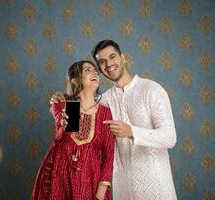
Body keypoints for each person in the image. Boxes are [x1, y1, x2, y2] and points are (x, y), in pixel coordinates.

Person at [51, 40, 177, 200]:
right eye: (102, 62)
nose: (108, 64)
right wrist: (59, 100)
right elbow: (80, 107)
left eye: (112, 57)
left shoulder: (151, 90)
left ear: (123, 58)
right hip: (123, 189)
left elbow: (169, 137)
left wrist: (132, 132)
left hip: (155, 185)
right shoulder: (104, 100)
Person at [32, 60, 115, 200]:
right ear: (75, 79)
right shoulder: (65, 106)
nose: (95, 72)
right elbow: (60, 141)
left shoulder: (106, 113)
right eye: (88, 70)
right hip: (59, 180)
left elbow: (108, 156)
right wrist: (62, 123)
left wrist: (100, 194)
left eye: (96, 70)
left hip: (91, 184)